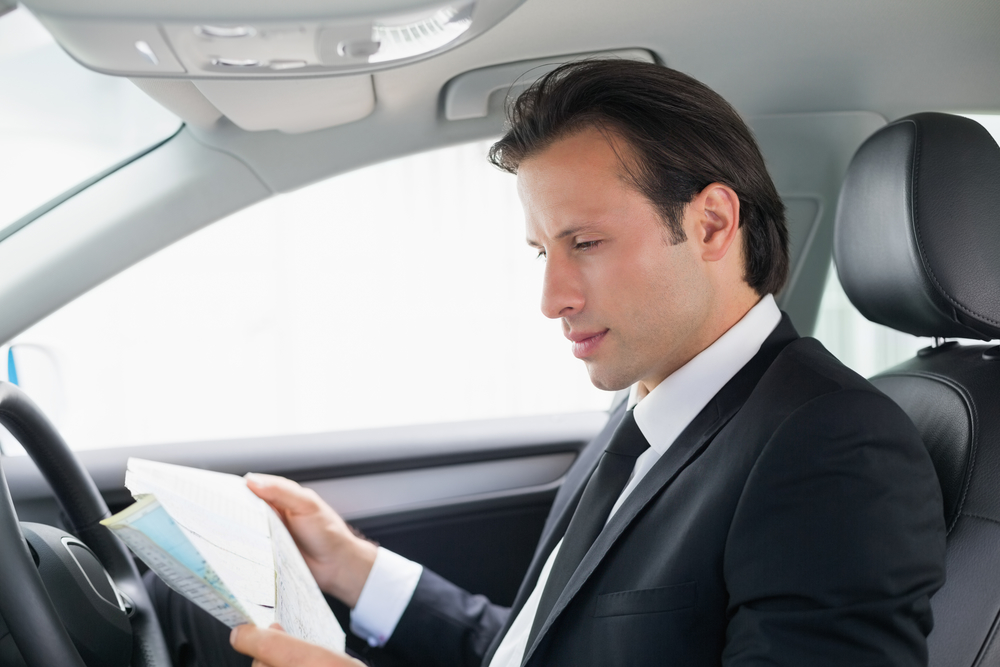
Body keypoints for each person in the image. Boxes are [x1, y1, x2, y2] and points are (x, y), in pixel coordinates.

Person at [153, 59, 947, 667]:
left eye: (586, 243)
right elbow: (534, 647)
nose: (553, 296)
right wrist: (351, 566)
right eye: (542, 251)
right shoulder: (644, 408)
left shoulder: (836, 448)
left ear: (710, 224)